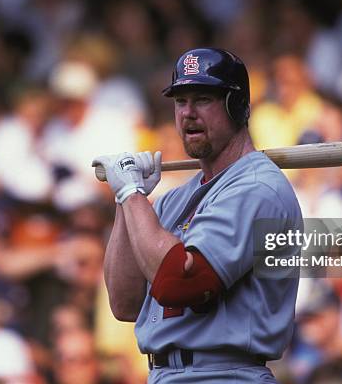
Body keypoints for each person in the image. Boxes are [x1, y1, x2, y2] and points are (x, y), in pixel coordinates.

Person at [94, 48, 302, 383]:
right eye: (180, 101)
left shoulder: (257, 187)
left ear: (237, 106)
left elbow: (182, 283)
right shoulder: (174, 199)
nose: (188, 113)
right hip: (164, 373)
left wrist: (130, 194)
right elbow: (124, 302)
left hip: (225, 373)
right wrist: (126, 200)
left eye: (203, 99)